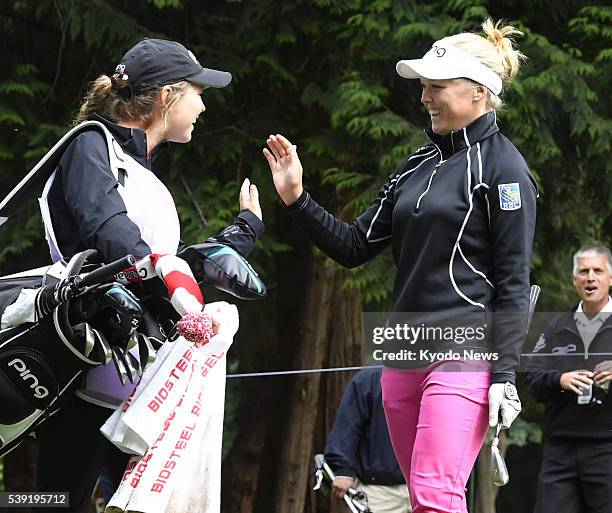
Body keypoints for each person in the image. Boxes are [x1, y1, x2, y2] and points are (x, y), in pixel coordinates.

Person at [263, 19, 536, 513]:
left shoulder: (506, 170)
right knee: (421, 499)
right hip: (405, 349)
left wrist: (506, 375)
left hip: (466, 349)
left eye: (437, 87)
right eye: (423, 87)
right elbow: (353, 245)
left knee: (435, 496)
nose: (425, 97)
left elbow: (514, 283)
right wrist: (297, 198)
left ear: (479, 92)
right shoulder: (415, 165)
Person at [33, 38, 263, 513]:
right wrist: (174, 293)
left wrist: (242, 232)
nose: (203, 105)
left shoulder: (142, 174)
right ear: (167, 96)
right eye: (198, 91)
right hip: (86, 366)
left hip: (139, 375)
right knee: (52, 500)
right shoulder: (90, 143)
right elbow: (113, 236)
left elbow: (170, 261)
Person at [525, 244, 612, 513]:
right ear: (574, 280)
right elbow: (532, 381)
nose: (590, 277)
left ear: (610, 277)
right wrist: (559, 379)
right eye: (583, 271)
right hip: (559, 453)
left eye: (598, 270)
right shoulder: (555, 327)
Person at [325, 368, 410, 513]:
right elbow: (348, 426)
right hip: (378, 493)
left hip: (427, 488)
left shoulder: (438, 377)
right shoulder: (369, 379)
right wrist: (343, 470)